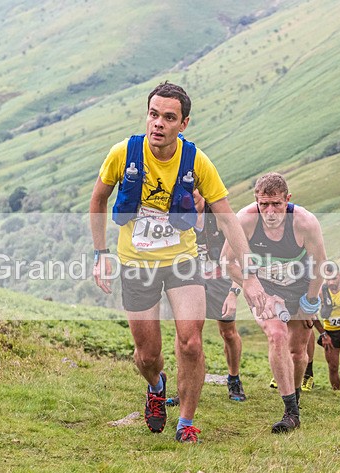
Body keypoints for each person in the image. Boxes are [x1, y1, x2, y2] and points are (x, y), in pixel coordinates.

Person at [90, 82, 266, 443]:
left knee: (191, 343)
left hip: (183, 262)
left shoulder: (197, 161)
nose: (159, 123)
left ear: (183, 123)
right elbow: (98, 199)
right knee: (147, 355)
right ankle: (156, 386)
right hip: (136, 263)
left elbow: (227, 217)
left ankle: (186, 422)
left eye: (169, 118)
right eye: (153, 114)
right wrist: (100, 254)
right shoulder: (123, 154)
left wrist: (249, 276)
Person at [225, 172, 326, 433]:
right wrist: (253, 286)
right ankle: (291, 412)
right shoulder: (245, 220)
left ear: (287, 199)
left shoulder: (304, 222)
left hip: (301, 289)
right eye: (264, 205)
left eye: (276, 204)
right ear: (256, 200)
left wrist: (310, 303)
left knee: (298, 353)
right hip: (265, 288)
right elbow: (228, 262)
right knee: (277, 335)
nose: (270, 212)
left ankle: (295, 396)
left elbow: (320, 266)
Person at [166, 190, 247, 408]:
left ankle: (234, 378)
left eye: (195, 189)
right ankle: (185, 388)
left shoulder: (219, 216)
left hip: (221, 280)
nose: (191, 194)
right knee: (186, 335)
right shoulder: (178, 216)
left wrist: (233, 292)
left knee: (228, 332)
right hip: (190, 281)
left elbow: (239, 257)